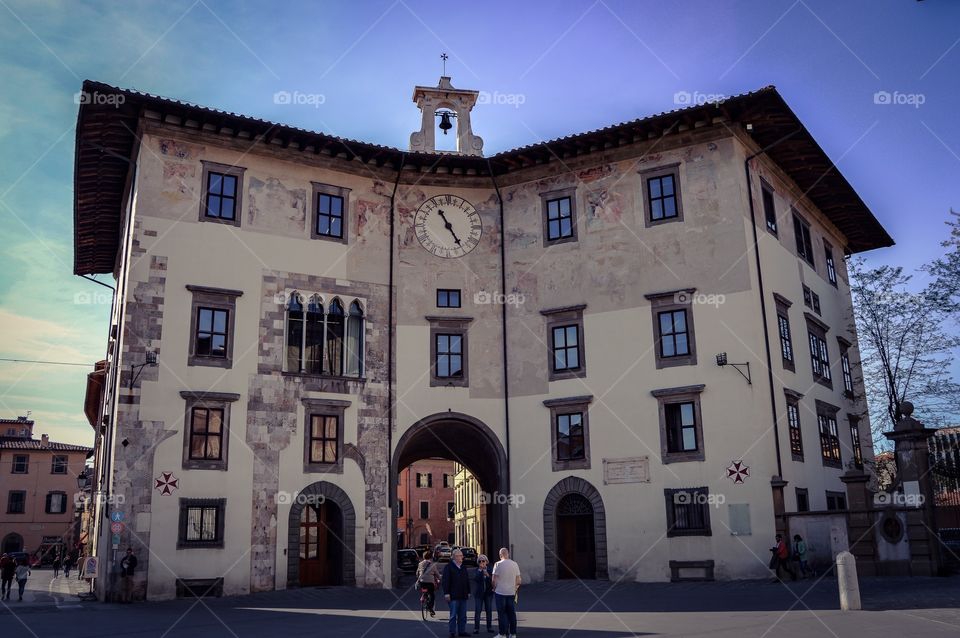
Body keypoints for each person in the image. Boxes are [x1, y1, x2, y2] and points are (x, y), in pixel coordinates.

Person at [491, 547, 521, 638]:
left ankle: (502, 634)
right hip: (511, 592)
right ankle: (513, 633)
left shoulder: (497, 564)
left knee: (502, 614)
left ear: (500, 555)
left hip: (500, 592)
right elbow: (519, 580)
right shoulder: (514, 564)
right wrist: (515, 588)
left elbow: (494, 580)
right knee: (511, 613)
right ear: (508, 554)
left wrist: (494, 588)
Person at [442, 549, 471, 638]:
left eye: (462, 555)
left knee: (463, 615)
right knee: (453, 615)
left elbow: (467, 580)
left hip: (463, 595)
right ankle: (452, 632)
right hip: (453, 595)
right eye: (460, 555)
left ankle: (462, 631)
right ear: (454, 557)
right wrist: (446, 593)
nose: (462, 557)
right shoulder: (448, 567)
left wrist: (468, 591)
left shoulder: (463, 567)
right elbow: (445, 581)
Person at [416, 549, 441, 617]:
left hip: (422, 582)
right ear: (430, 557)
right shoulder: (432, 565)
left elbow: (417, 573)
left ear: (424, 557)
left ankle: (424, 596)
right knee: (432, 595)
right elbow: (437, 574)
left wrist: (419, 578)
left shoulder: (420, 564)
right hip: (430, 583)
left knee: (424, 590)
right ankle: (430, 608)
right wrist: (439, 578)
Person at [473, 554, 494, 634]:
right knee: (478, 611)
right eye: (480, 561)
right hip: (479, 594)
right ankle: (476, 628)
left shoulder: (490, 570)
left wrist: (487, 575)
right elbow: (475, 579)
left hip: (488, 593)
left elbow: (492, 581)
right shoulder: (477, 570)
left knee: (488, 610)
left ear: (486, 562)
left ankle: (489, 627)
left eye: (483, 561)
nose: (482, 562)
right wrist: (480, 570)